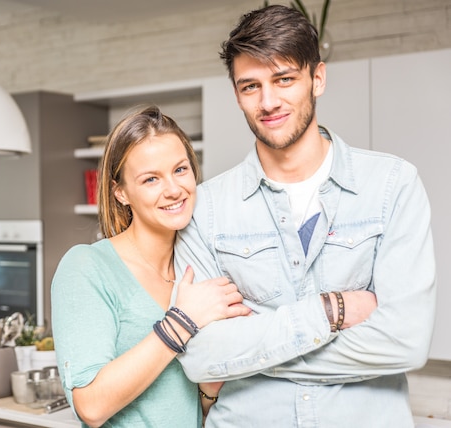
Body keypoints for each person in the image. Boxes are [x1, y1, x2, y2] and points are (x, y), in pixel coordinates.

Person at [173, 4, 437, 427]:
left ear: (317, 78)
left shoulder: (393, 186)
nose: (268, 101)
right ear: (237, 94)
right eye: (250, 86)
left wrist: (251, 354)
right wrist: (329, 311)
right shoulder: (205, 209)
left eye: (284, 79)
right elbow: (201, 356)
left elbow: (404, 342)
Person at [51, 105, 250, 427]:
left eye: (180, 170)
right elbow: (90, 405)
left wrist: (210, 392)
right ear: (121, 193)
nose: (173, 189)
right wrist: (182, 322)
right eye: (150, 179)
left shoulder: (200, 267)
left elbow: (181, 408)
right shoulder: (87, 267)